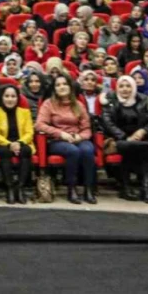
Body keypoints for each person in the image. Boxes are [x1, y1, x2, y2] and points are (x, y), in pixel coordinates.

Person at [36, 75, 96, 204]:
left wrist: (80, 137)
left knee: (88, 150)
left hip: (77, 138)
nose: (62, 87)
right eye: (58, 85)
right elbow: (39, 125)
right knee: (72, 151)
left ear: (70, 87)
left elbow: (87, 128)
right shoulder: (49, 104)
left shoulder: (79, 104)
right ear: (54, 89)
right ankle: (71, 188)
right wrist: (60, 133)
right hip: (57, 140)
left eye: (64, 84)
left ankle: (88, 189)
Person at [101, 75, 148, 204]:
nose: (125, 89)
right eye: (121, 86)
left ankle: (145, 189)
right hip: (117, 139)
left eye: (128, 86)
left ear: (133, 87)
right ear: (117, 88)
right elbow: (108, 124)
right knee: (139, 147)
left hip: (140, 139)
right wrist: (125, 137)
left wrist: (143, 131)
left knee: (144, 148)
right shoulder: (110, 101)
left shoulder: (142, 101)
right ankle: (126, 188)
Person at [0, 85, 34, 204]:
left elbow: (30, 132)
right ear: (2, 98)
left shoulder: (25, 112)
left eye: (13, 96)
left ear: (17, 98)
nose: (10, 99)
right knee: (5, 151)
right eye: (7, 96)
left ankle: (20, 187)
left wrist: (19, 142)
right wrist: (10, 144)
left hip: (21, 142)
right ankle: (10, 188)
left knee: (26, 151)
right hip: (1, 143)